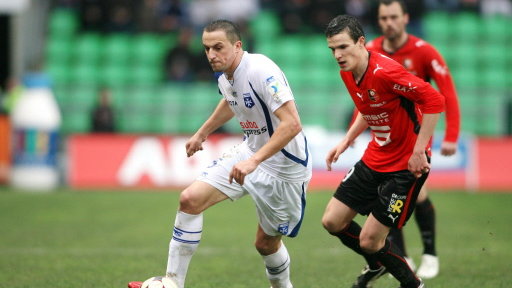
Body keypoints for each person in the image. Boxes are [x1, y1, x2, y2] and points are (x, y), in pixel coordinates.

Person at [129, 19, 311, 288]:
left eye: (218, 47)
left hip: (283, 170)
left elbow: (292, 124)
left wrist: (255, 161)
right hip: (249, 152)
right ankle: (172, 282)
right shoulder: (226, 75)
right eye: (206, 49)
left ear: (237, 46)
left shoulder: (261, 70)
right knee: (190, 199)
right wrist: (202, 133)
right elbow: (230, 99)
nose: (211, 55)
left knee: (265, 244)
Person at [321, 15, 444, 288]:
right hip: (375, 157)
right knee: (332, 221)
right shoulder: (348, 72)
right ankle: (376, 265)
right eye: (332, 49)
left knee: (370, 240)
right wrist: (346, 140)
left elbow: (435, 100)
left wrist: (419, 150)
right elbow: (369, 108)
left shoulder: (386, 72)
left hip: (405, 166)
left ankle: (413, 284)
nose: (338, 55)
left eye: (343, 47)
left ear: (361, 42)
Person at [366, 0, 461, 279]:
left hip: (417, 137)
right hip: (387, 139)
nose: (388, 23)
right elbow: (363, 98)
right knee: (388, 195)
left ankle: (429, 253)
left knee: (418, 193)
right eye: (383, 18)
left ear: (406, 18)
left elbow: (447, 93)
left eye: (394, 17)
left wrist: (451, 135)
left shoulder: (424, 52)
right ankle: (403, 254)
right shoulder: (371, 50)